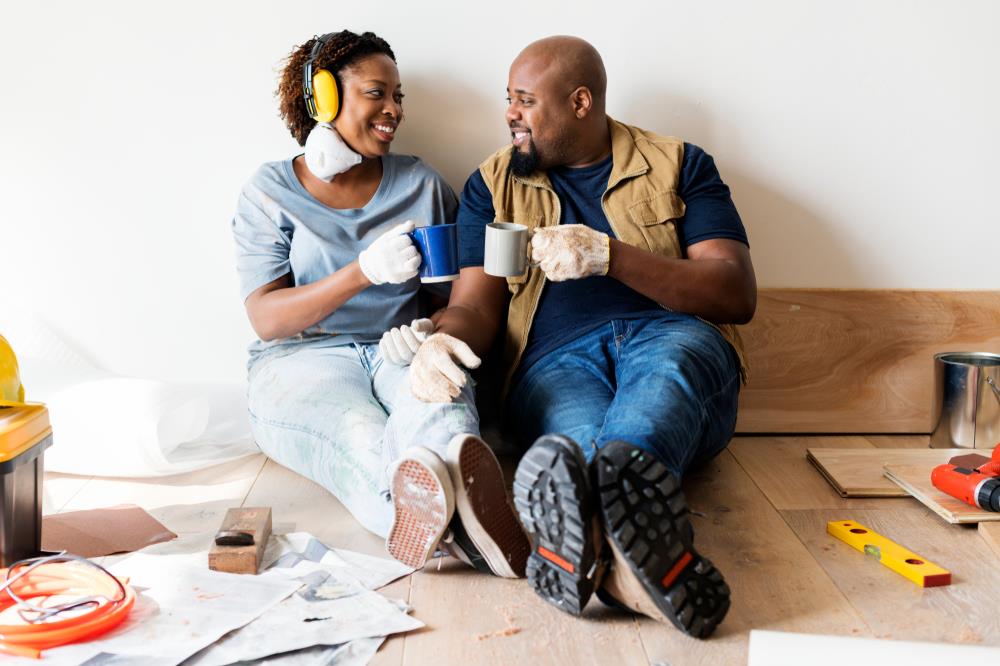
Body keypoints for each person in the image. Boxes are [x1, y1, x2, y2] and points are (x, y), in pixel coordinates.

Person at [407, 36, 756, 638]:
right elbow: (475, 308)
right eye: (507, 99)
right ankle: (639, 572)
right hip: (554, 364)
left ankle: (582, 544)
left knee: (661, 386)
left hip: (672, 335)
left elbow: (733, 292)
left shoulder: (680, 163)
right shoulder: (491, 186)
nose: (510, 114)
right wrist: (439, 337)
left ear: (580, 102)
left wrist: (610, 257)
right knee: (576, 446)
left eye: (524, 101)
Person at [230, 30, 528, 577]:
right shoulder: (269, 191)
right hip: (300, 362)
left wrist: (429, 333)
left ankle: (457, 516)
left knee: (440, 401)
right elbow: (267, 318)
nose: (394, 110)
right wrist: (362, 271)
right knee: (358, 435)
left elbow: (453, 299)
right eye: (377, 93)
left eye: (399, 96)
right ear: (324, 97)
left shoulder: (421, 184)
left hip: (397, 347)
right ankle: (445, 522)